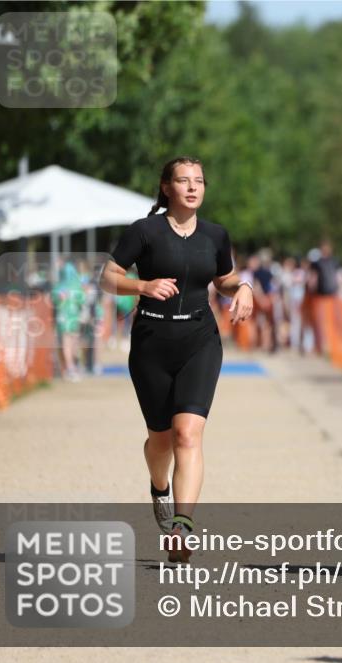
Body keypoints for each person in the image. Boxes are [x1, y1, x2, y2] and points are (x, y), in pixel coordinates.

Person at [100, 156, 253, 563]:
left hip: (200, 341)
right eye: (183, 180)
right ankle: (159, 486)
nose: (192, 187)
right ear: (167, 187)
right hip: (151, 343)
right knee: (161, 439)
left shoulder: (216, 235)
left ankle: (181, 527)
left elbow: (224, 279)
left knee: (188, 434)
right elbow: (107, 277)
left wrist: (243, 287)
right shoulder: (144, 231)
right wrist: (143, 286)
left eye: (198, 181)